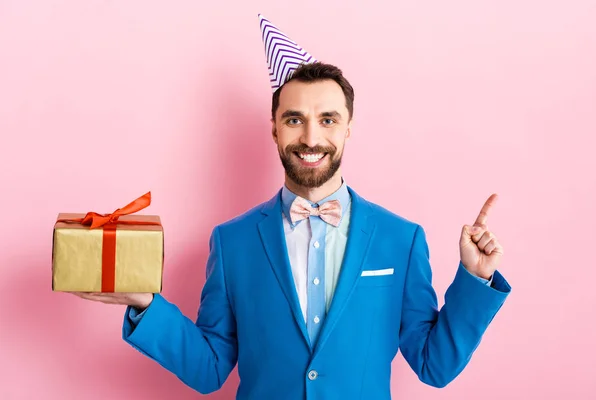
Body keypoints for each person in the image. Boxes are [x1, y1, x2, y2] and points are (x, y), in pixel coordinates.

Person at [73, 15, 511, 399]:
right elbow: (209, 369)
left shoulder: (401, 239)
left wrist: (476, 278)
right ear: (274, 129)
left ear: (348, 129)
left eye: (327, 119)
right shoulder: (232, 243)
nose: (311, 138)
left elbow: (433, 365)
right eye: (294, 119)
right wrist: (146, 304)